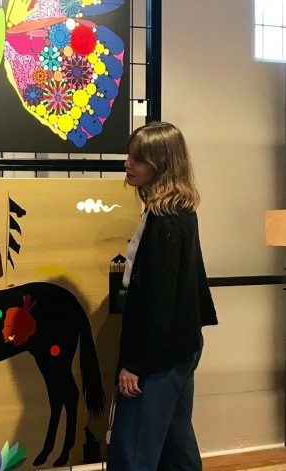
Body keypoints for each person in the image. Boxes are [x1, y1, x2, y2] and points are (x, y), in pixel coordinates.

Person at [107, 122, 218, 470]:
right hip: (181, 346)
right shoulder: (182, 211)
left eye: (137, 158)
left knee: (132, 453)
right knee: (175, 445)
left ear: (161, 163)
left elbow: (158, 302)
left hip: (158, 355)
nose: (128, 163)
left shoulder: (165, 218)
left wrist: (135, 365)